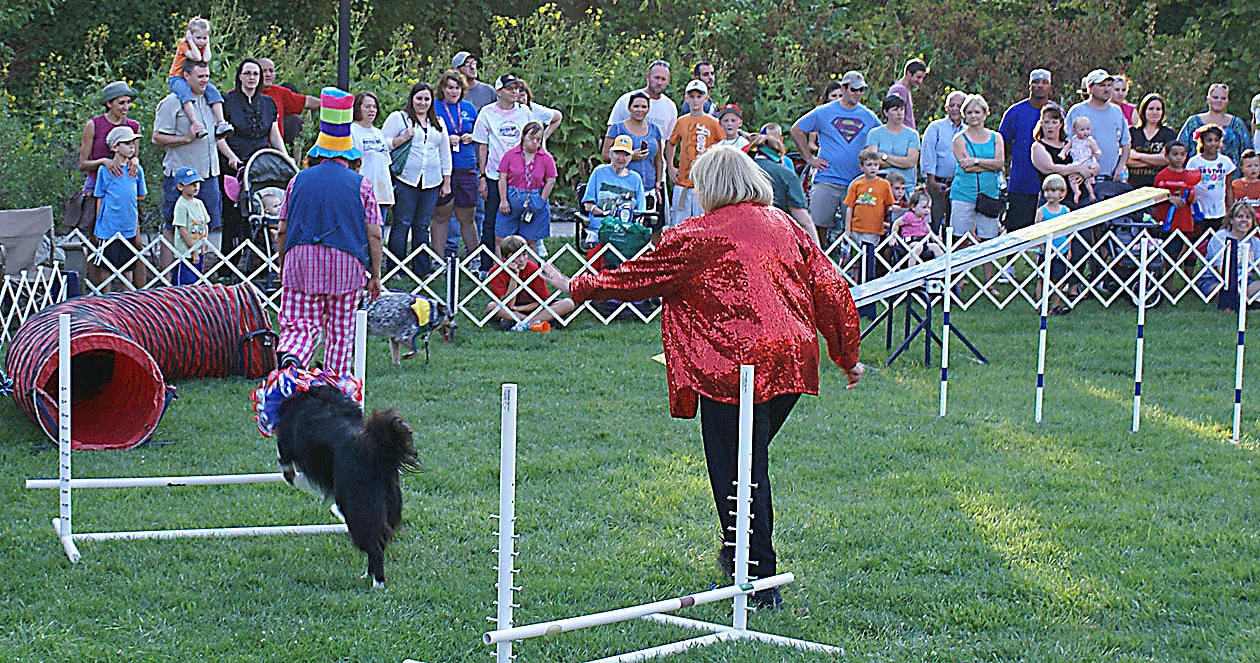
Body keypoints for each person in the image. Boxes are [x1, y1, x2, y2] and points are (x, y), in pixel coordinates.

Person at [539, 146, 863, 610]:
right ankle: (740, 560)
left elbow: (639, 278)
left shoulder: (697, 234)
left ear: (709, 186)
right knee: (746, 464)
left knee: (738, 471)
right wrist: (846, 355)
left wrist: (577, 285)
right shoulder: (785, 224)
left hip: (734, 366)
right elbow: (829, 286)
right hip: (790, 358)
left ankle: (758, 579)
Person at [274, 88, 383, 374]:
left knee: (299, 325)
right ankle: (333, 383)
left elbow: (282, 230)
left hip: (300, 262)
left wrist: (283, 263)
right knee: (340, 331)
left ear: (318, 153)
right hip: (346, 266)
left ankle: (293, 360)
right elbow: (374, 234)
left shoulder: (296, 180)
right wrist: (375, 274)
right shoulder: (362, 185)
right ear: (349, 155)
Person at [790, 70, 881, 242]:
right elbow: (797, 129)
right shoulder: (824, 112)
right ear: (844, 88)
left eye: (861, 90)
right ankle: (817, 260)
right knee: (816, 225)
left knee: (855, 230)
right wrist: (809, 158)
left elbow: (881, 135)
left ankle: (851, 267)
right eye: (854, 90)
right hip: (828, 178)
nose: (858, 94)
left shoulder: (868, 116)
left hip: (856, 181)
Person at [152, 59, 223, 268]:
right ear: (186, 76)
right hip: (180, 176)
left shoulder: (211, 101)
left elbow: (217, 137)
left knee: (209, 224)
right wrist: (186, 139)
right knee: (172, 225)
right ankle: (165, 280)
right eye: (200, 76)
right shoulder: (172, 102)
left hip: (209, 174)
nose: (205, 81)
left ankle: (203, 278)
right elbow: (156, 138)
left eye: (207, 76)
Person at [383, 81, 452, 275]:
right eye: (419, 98)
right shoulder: (399, 118)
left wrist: (446, 182)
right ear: (412, 99)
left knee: (422, 225)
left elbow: (445, 153)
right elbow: (383, 143)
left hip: (431, 181)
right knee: (402, 223)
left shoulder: (437, 122)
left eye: (426, 99)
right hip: (406, 179)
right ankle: (396, 268)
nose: (422, 103)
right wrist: (403, 138)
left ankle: (421, 268)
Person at [217, 58, 286, 253]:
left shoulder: (267, 103)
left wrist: (285, 158)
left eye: (256, 74)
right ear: (239, 76)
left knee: (262, 213)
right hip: (235, 166)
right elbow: (219, 136)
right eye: (247, 73)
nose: (252, 78)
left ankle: (258, 262)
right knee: (233, 216)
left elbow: (274, 134)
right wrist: (231, 157)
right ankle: (228, 264)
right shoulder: (227, 102)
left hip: (261, 166)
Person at [79, 81, 141, 285]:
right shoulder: (94, 125)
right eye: (121, 103)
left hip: (124, 188)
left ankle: (136, 292)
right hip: (98, 186)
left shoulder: (132, 126)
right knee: (97, 242)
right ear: (108, 104)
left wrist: (135, 160)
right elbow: (83, 163)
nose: (125, 107)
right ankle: (98, 292)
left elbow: (134, 157)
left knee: (135, 242)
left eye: (128, 103)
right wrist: (103, 161)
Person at [473, 74, 532, 274]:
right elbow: (482, 146)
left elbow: (534, 138)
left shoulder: (525, 112)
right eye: (510, 89)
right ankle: (486, 266)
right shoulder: (487, 113)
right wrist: (482, 175)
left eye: (517, 88)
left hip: (521, 176)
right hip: (494, 175)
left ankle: (521, 264)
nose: (515, 92)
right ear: (499, 92)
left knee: (522, 219)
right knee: (490, 221)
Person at [950, 94, 1006, 267]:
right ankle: (956, 281)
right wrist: (989, 165)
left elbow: (1000, 163)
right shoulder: (959, 139)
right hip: (963, 193)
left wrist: (976, 161)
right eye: (969, 112)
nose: (973, 115)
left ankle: (988, 284)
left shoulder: (996, 137)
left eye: (977, 112)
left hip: (989, 193)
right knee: (959, 239)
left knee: (988, 240)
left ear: (984, 113)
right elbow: (965, 167)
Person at [433, 69, 481, 260]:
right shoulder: (434, 107)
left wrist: (472, 136)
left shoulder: (469, 108)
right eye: (449, 88)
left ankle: (474, 259)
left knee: (467, 217)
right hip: (444, 168)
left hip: (467, 167)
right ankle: (438, 260)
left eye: (457, 88)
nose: (453, 92)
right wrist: (446, 138)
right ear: (443, 89)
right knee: (441, 216)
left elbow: (481, 134)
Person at [93, 126, 147, 291]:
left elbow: (141, 195)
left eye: (133, 143)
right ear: (115, 147)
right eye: (127, 143)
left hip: (128, 225)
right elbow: (99, 196)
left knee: (128, 265)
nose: (132, 147)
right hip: (108, 226)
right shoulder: (104, 170)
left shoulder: (137, 170)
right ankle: (105, 298)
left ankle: (127, 300)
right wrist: (98, 222)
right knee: (106, 266)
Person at [999, 68, 1053, 231]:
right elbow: (1002, 144)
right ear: (1029, 86)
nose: (1040, 86)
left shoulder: (1055, 113)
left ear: (1050, 87)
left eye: (1044, 83)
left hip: (1050, 185)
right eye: (1036, 82)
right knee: (1016, 231)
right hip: (1021, 183)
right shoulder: (1015, 112)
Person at [486, 234, 575, 331]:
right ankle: (536, 321)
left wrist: (520, 309)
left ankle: (525, 323)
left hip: (533, 308)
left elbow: (542, 301)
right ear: (505, 258)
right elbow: (507, 305)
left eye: (524, 254)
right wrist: (514, 277)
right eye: (516, 256)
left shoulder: (532, 268)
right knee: (492, 307)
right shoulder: (496, 272)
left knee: (568, 303)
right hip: (511, 310)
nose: (522, 260)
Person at [665, 80, 723, 227]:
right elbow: (671, 143)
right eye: (692, 96)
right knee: (679, 223)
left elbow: (723, 145)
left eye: (699, 96)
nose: (695, 100)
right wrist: (670, 167)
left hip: (704, 184)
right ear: (686, 98)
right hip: (683, 182)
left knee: (703, 223)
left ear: (705, 98)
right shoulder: (681, 121)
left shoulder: (713, 123)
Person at [746, 132, 820, 244]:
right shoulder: (786, 175)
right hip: (773, 237)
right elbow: (803, 220)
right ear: (779, 155)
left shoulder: (737, 171)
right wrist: (818, 250)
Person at [165, 16, 231, 139]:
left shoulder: (203, 46)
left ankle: (221, 122)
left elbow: (206, 59)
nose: (201, 41)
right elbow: (197, 57)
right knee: (186, 94)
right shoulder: (184, 45)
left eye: (204, 38)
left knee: (214, 92)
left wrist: (207, 44)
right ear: (190, 35)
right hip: (178, 78)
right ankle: (195, 122)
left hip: (195, 78)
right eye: (198, 38)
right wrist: (190, 41)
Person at [497, 122, 557, 254]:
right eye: (531, 138)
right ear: (523, 137)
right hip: (513, 195)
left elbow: (551, 180)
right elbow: (502, 178)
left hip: (535, 196)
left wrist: (541, 200)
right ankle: (502, 270)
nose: (534, 142)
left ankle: (530, 272)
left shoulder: (546, 158)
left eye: (538, 139)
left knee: (531, 241)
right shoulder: (510, 155)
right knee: (501, 238)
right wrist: (503, 200)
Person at [602, 91, 664, 213]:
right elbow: (605, 155)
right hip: (624, 187)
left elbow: (658, 159)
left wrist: (658, 183)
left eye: (643, 106)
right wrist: (630, 156)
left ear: (648, 109)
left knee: (648, 225)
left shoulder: (654, 130)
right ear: (629, 108)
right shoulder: (617, 128)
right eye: (636, 106)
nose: (640, 110)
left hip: (649, 187)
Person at [1066, 69, 1130, 183]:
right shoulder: (1077, 111)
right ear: (1090, 87)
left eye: (1109, 85)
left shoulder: (1117, 111)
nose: (1107, 89)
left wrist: (1121, 167)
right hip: (1084, 179)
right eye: (1102, 85)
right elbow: (1068, 143)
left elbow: (1126, 143)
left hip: (1111, 179)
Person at [583, 135, 647, 241]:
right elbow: (588, 204)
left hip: (627, 232)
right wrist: (602, 213)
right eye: (617, 153)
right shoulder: (599, 173)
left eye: (626, 154)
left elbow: (641, 211)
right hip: (602, 229)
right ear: (611, 154)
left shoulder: (636, 179)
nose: (621, 158)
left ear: (630, 158)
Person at [1197, 201, 1260, 309]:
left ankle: (1245, 299)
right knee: (1228, 295)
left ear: (1252, 222)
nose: (1244, 220)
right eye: (1240, 216)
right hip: (1216, 280)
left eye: (1248, 217)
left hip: (1245, 281)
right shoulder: (1220, 238)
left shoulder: (1255, 242)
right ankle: (1246, 300)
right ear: (1231, 220)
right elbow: (1220, 269)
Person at [920, 90, 966, 231]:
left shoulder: (969, 130)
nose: (955, 109)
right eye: (951, 105)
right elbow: (928, 154)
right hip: (937, 183)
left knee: (955, 223)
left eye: (959, 105)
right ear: (946, 108)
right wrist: (932, 181)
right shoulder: (935, 128)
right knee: (934, 220)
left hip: (960, 183)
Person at [1177, 83, 1252, 168]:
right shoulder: (1193, 122)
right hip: (1197, 176)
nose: (1219, 101)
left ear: (1227, 101)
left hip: (1230, 177)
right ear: (1208, 99)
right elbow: (1179, 149)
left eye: (1223, 98)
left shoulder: (1237, 124)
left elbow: (1247, 151)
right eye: (1215, 97)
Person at [608, 60, 679, 142]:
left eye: (663, 79)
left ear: (668, 81)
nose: (659, 82)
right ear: (647, 77)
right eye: (656, 78)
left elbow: (669, 141)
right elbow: (610, 133)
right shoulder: (625, 100)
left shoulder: (670, 107)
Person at [351, 91, 394, 222]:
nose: (372, 110)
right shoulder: (352, 131)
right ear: (358, 108)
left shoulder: (378, 133)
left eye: (374, 107)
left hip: (380, 193)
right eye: (367, 106)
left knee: (377, 235)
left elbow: (385, 163)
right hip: (362, 192)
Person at [844, 148, 896, 252]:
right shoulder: (857, 184)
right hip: (856, 228)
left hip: (874, 228)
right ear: (862, 167)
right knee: (854, 256)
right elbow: (850, 207)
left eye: (875, 165)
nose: (873, 168)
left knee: (869, 256)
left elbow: (889, 205)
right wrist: (847, 229)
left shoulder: (884, 185)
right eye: (869, 165)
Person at [257, 58, 320, 143]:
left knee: (295, 120)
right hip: (251, 148)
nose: (268, 74)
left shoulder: (280, 92)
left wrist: (332, 103)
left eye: (271, 71)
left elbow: (306, 101)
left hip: (276, 148)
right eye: (264, 71)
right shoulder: (243, 94)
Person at [1186, 124, 1236, 232]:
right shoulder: (1194, 162)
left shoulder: (1225, 162)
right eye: (1209, 140)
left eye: (1216, 140)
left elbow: (1228, 187)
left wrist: (1231, 210)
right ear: (1202, 142)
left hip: (1219, 211)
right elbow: (1189, 186)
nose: (1213, 144)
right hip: (1199, 210)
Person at [1034, 174, 1073, 314]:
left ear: (1062, 193)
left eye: (1053, 190)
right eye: (1047, 190)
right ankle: (1040, 305)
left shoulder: (1065, 211)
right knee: (1042, 279)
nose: (1049, 194)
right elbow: (1037, 232)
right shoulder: (1041, 212)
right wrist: (1043, 249)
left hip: (1061, 250)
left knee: (1059, 279)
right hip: (1045, 251)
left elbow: (1069, 232)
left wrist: (1068, 249)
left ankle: (1056, 305)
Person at [866, 94, 921, 185]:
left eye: (901, 109)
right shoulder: (874, 134)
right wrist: (901, 162)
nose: (899, 113)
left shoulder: (912, 135)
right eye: (895, 110)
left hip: (905, 185)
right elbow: (871, 162)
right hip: (880, 183)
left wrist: (885, 157)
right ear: (886, 112)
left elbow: (911, 162)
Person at [1126, 93, 1176, 189]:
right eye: (1151, 109)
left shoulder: (1168, 133)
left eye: (1158, 109)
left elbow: (1166, 159)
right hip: (1133, 186)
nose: (1154, 112)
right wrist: (1155, 160)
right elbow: (1126, 159)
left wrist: (1138, 156)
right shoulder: (1132, 132)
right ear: (1144, 110)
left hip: (1159, 186)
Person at [1153, 141, 1198, 246]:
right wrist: (1169, 198)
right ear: (1166, 156)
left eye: (1182, 154)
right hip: (1166, 220)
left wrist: (1192, 197)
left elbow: (1191, 196)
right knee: (1167, 251)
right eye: (1175, 154)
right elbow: (1155, 196)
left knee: (1182, 250)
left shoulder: (1188, 175)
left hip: (1184, 220)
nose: (1179, 158)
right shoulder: (1161, 176)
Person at [171, 166, 210, 285]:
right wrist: (192, 250)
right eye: (191, 184)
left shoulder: (199, 203)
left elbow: (205, 224)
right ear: (180, 186)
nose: (195, 186)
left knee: (197, 280)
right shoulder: (181, 205)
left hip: (199, 248)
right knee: (184, 282)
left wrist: (204, 242)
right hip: (185, 253)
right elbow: (181, 228)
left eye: (197, 183)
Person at [890, 189, 943, 265]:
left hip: (923, 241)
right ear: (913, 207)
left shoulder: (924, 218)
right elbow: (896, 223)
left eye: (929, 208)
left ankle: (939, 269)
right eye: (924, 207)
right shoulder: (909, 216)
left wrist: (935, 238)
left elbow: (928, 229)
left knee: (936, 247)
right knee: (918, 247)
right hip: (910, 242)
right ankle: (911, 268)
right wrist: (893, 237)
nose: (927, 211)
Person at [1063, 116, 1102, 204]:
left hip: (1087, 160)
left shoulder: (1089, 141)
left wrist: (1096, 154)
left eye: (1087, 129)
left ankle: (1091, 193)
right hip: (1077, 161)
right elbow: (1067, 147)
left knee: (1087, 180)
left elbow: (1097, 150)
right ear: (1074, 130)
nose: (1085, 132)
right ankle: (1076, 191)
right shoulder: (1073, 139)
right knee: (1072, 177)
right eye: (1082, 130)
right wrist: (1063, 153)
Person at [517, 79, 563, 146]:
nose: (520, 100)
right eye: (517, 97)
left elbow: (558, 117)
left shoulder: (536, 109)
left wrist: (544, 137)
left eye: (522, 95)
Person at [886, 58, 928, 130]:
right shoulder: (900, 90)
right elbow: (894, 117)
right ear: (908, 73)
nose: (920, 81)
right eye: (918, 77)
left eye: (922, 78)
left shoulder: (904, 89)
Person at [1232, 149, 1260, 214]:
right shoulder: (1236, 185)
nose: (1253, 169)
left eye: (1256, 165)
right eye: (1249, 166)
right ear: (1242, 168)